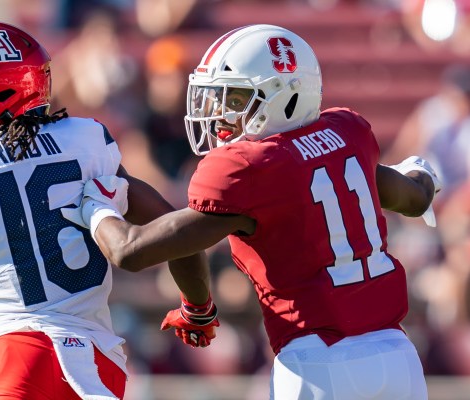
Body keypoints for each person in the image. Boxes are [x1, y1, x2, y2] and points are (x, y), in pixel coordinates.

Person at [74, 25, 440, 399]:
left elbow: (131, 250)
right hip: (397, 358)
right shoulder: (345, 139)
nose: (219, 114)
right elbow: (412, 197)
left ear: (287, 100)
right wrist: (423, 174)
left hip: (318, 363)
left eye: (234, 100)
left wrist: (94, 203)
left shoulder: (254, 168)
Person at [0, 20, 215, 400]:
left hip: (11, 362)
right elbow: (175, 232)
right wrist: (198, 307)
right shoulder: (86, 141)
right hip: (99, 364)